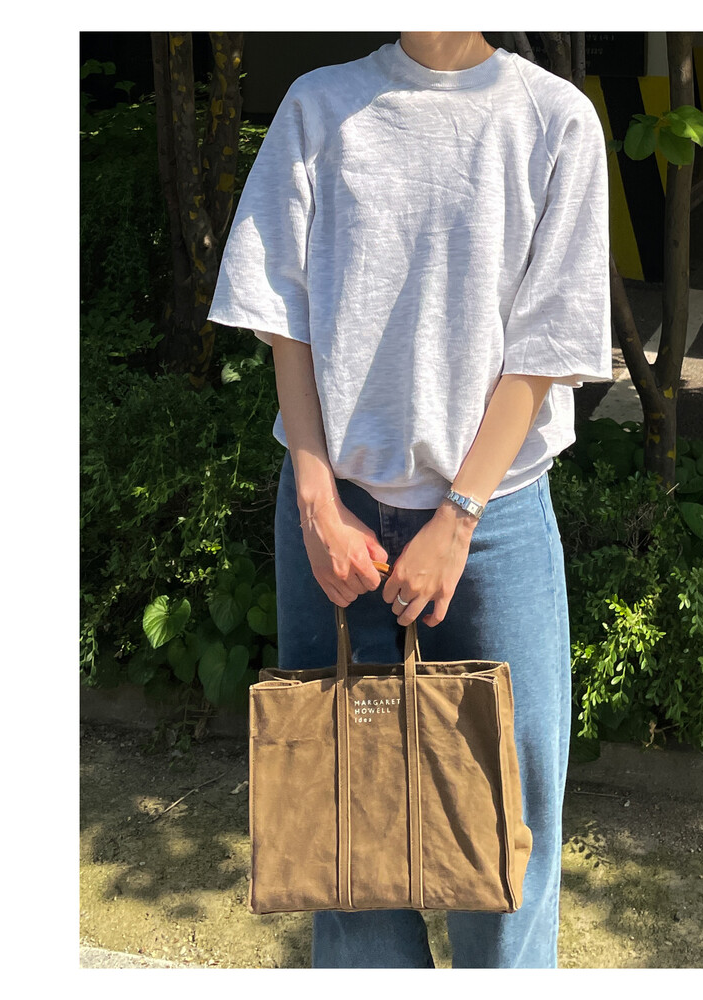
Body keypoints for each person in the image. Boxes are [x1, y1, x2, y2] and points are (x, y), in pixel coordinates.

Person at [208, 30, 611, 969]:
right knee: (342, 831)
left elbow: (548, 344)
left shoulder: (553, 120)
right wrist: (316, 498)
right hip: (333, 516)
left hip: (494, 521)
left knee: (504, 832)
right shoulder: (318, 106)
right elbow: (284, 316)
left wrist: (458, 517)